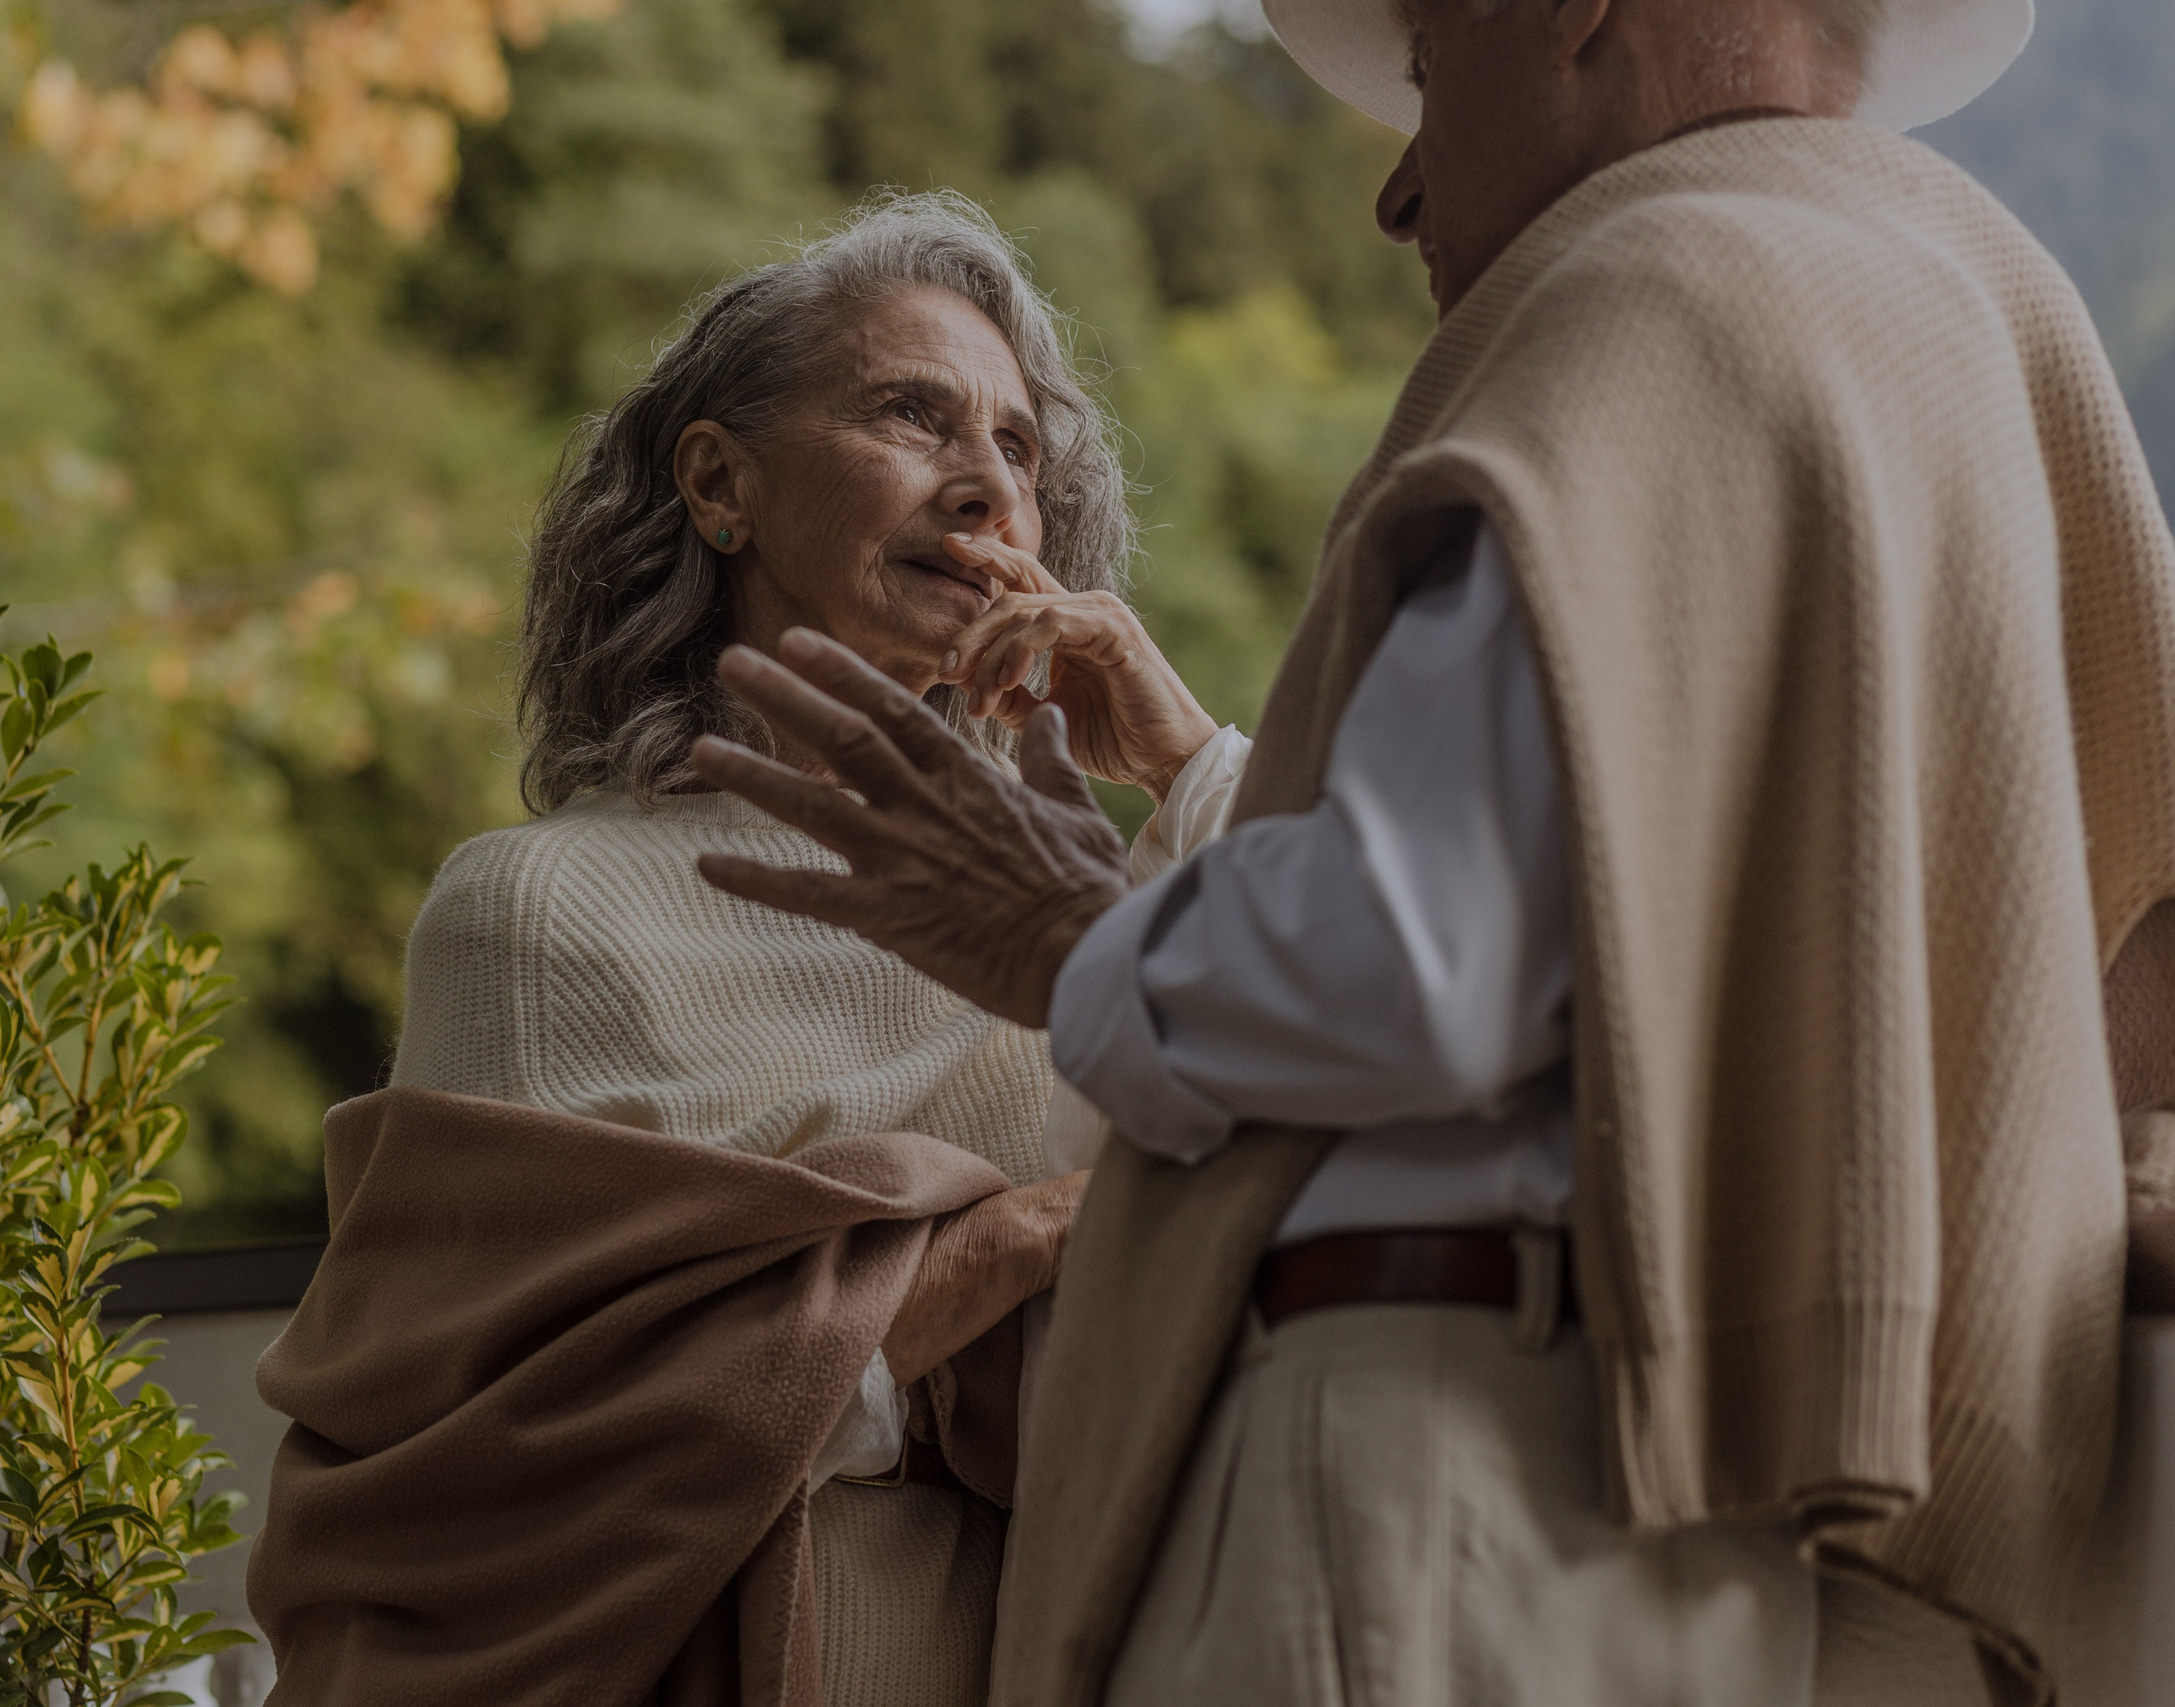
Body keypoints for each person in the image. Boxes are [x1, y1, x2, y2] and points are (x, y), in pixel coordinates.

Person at [688, 1, 2175, 1704]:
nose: (1399, 192)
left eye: (1421, 64)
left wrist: (1061, 934)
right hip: (1713, 1511)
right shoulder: (1959, 310)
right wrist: (1198, 789)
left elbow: (1422, 964)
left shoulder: (1658, 279)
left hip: (1414, 1500)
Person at [244, 193, 1229, 1707]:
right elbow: (496, 1456)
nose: (985, 486)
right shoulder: (539, 915)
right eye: (914, 414)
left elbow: (1349, 1104)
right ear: (721, 484)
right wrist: (1013, 1242)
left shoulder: (1081, 918)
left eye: (1020, 449)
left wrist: (1184, 765)